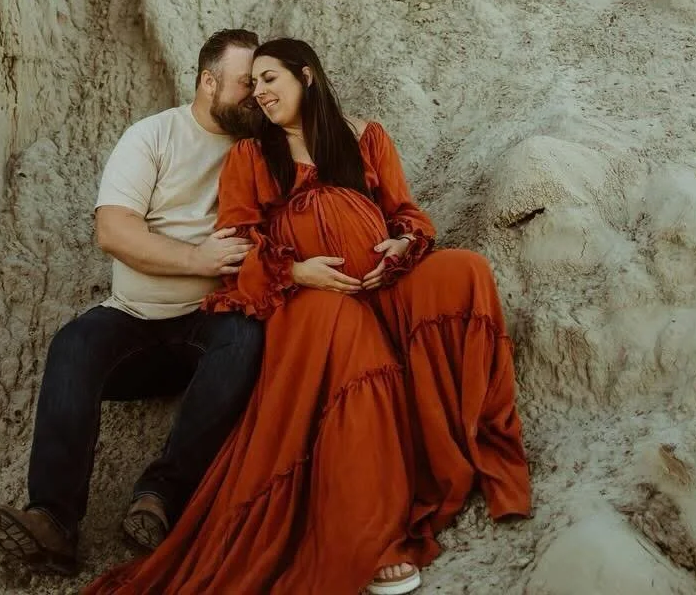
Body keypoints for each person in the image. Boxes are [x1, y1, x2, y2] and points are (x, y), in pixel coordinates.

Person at [81, 38, 531, 595]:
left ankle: (477, 444)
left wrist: (402, 245)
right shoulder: (250, 157)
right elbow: (239, 244)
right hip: (303, 300)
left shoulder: (364, 137)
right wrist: (297, 273)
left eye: (270, 79)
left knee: (466, 272)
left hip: (380, 282)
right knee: (345, 328)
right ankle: (378, 534)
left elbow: (406, 213)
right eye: (255, 84)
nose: (261, 94)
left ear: (307, 77)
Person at [0, 29, 267, 578]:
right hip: (135, 323)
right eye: (244, 84)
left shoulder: (260, 146)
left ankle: (160, 497)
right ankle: (52, 522)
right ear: (208, 83)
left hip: (209, 328)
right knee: (74, 344)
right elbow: (113, 231)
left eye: (259, 85)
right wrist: (199, 259)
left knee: (245, 336)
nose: (255, 96)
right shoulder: (153, 137)